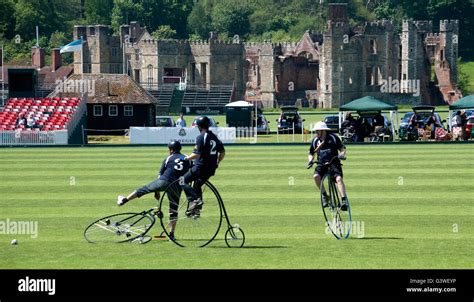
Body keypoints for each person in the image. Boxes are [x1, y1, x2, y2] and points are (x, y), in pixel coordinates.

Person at [116, 140, 190, 239]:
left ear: (171, 150)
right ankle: (171, 235)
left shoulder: (168, 158)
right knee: (173, 209)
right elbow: (192, 172)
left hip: (164, 180)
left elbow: (160, 176)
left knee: (144, 189)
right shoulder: (187, 157)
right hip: (177, 184)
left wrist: (157, 191)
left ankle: (124, 200)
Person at [181, 116, 225, 218]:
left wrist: (186, 158)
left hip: (200, 168)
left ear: (199, 127)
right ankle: (196, 210)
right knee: (197, 185)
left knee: (182, 180)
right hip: (211, 169)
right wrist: (217, 162)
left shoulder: (201, 137)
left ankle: (193, 201)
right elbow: (222, 152)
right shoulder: (215, 137)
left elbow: (197, 155)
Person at [307, 121, 349, 210]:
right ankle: (325, 195)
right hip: (321, 164)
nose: (316, 133)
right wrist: (310, 160)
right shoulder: (315, 140)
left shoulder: (333, 138)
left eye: (318, 131)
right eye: (316, 131)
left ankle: (344, 200)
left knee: (339, 179)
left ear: (323, 131)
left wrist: (342, 154)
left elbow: (342, 148)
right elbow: (311, 153)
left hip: (334, 163)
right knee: (316, 176)